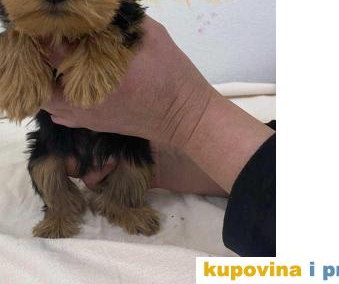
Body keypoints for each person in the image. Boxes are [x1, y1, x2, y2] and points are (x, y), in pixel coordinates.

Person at [42, 16, 276, 256]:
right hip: (67, 138)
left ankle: (120, 203)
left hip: (128, 141)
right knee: (45, 166)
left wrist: (185, 113)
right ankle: (60, 209)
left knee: (132, 162)